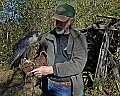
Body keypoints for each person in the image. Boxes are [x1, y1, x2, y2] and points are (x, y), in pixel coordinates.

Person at [31, 3, 88, 96]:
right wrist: (34, 66)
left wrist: (52, 70)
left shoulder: (79, 39)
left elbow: (78, 64)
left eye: (62, 20)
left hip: (70, 88)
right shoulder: (46, 37)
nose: (58, 23)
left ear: (72, 21)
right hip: (50, 85)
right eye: (57, 19)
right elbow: (41, 57)